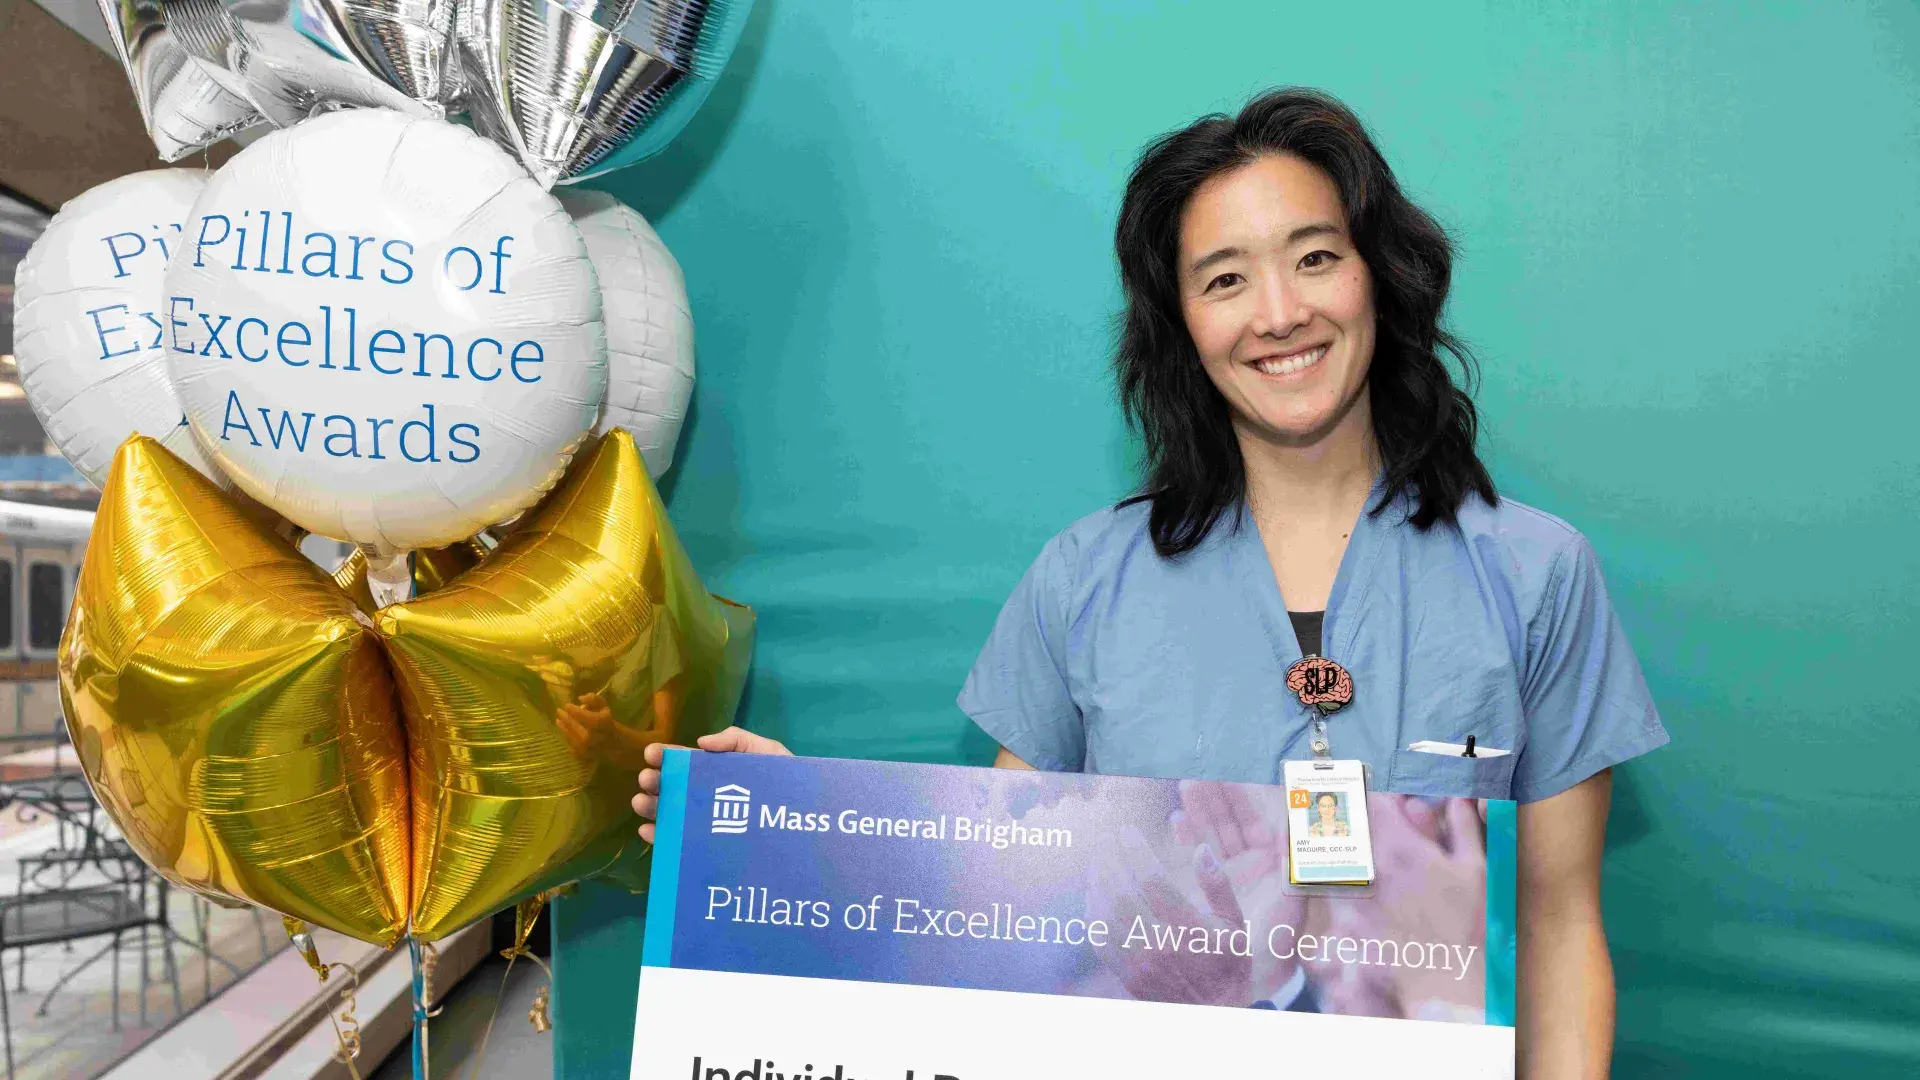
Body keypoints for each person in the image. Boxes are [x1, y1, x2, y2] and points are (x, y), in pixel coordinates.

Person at [636, 88, 1667, 1078]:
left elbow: (1560, 924)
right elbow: (997, 913)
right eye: (1223, 279)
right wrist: (797, 829)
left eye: (1315, 258)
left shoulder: (1535, 575)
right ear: (1178, 323)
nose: (1278, 313)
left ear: (1377, 277)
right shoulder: (1086, 581)